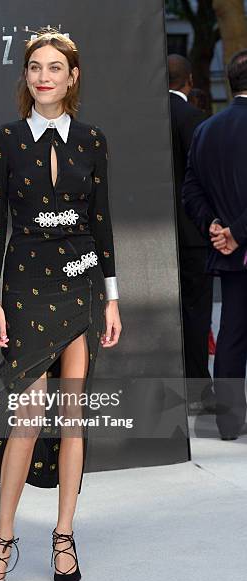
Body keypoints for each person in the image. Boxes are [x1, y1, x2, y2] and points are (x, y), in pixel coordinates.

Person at [0, 28, 122, 581]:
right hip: (24, 288)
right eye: (34, 67)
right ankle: (3, 538)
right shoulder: (6, 140)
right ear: (27, 77)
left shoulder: (91, 140)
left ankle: (64, 536)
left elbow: (102, 221)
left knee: (71, 420)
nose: (43, 76)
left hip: (81, 283)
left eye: (54, 68)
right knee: (25, 417)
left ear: (72, 78)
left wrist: (111, 296)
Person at [182, 49, 247, 441]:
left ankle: (228, 423)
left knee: (232, 336)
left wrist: (217, 228)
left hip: (229, 253)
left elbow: (191, 190)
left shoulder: (207, 129)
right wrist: (235, 232)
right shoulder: (205, 128)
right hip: (235, 243)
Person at [168, 54, 213, 410]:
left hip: (151, 237)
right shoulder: (192, 118)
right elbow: (203, 179)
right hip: (193, 234)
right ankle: (199, 391)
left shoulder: (144, 116)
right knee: (196, 314)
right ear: (188, 80)